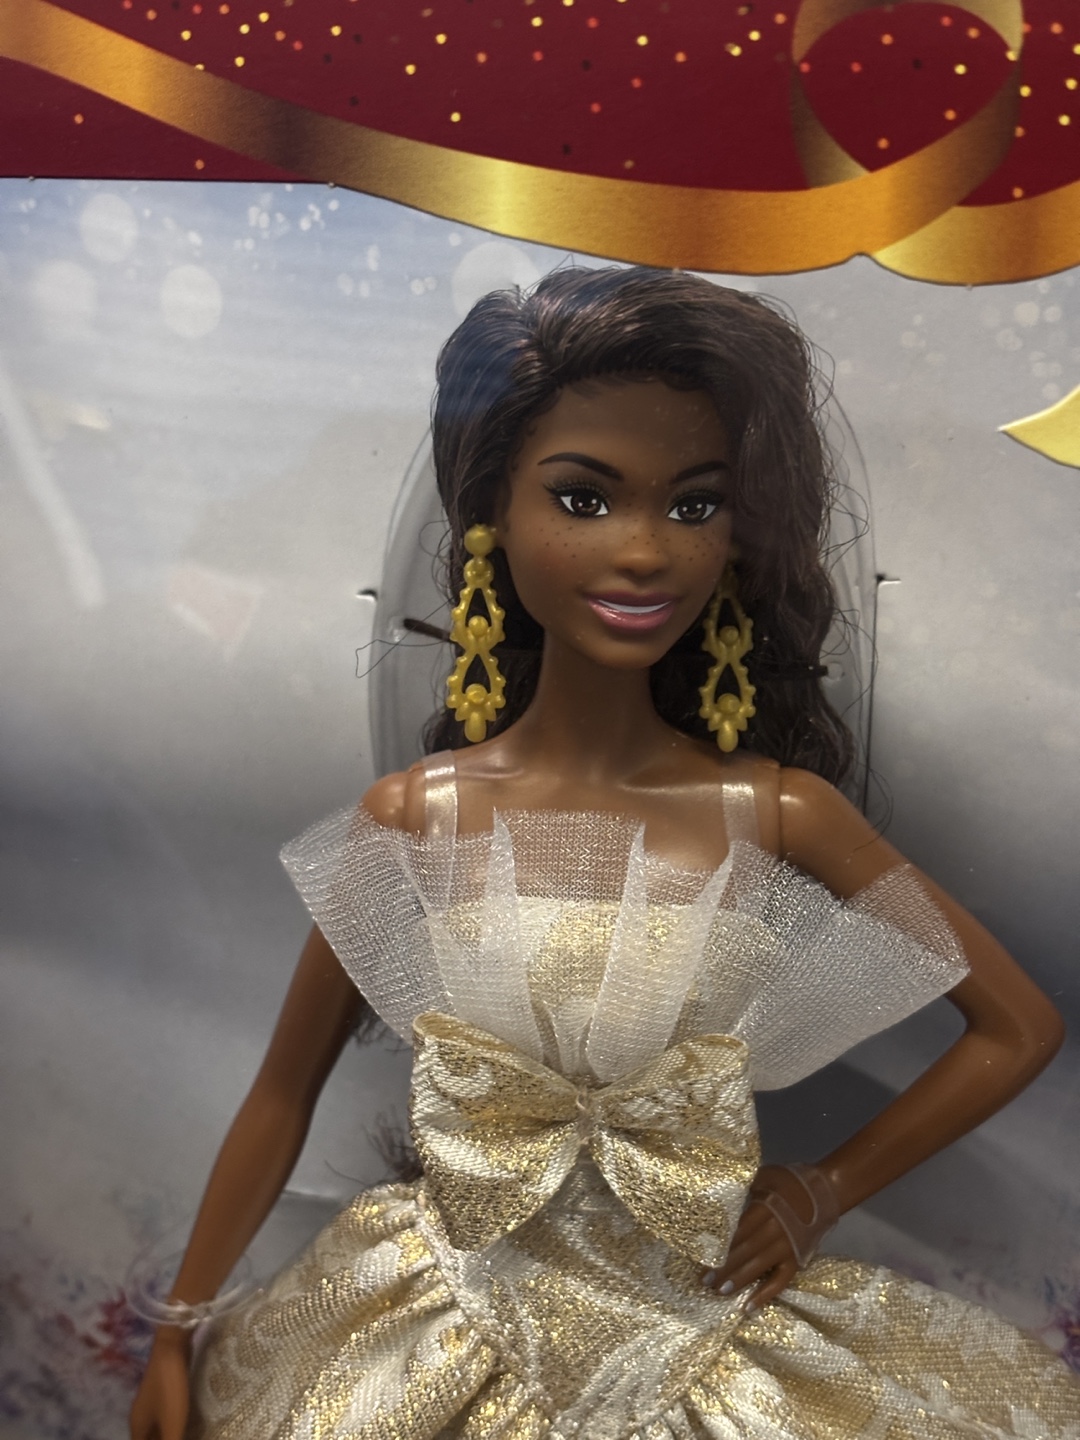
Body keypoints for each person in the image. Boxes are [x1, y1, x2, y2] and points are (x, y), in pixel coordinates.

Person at [130, 267, 1080, 1440]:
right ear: (492, 511)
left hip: (700, 1334)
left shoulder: (779, 814)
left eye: (694, 506)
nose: (644, 551)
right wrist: (176, 1329)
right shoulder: (417, 818)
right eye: (583, 499)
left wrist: (820, 1189)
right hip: (428, 1338)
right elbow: (283, 1092)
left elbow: (1016, 1026)